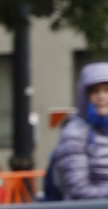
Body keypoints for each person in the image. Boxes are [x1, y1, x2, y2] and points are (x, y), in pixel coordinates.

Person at [44, 61, 108, 200]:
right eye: (95, 91)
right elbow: (78, 191)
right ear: (85, 96)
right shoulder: (75, 133)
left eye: (106, 90)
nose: (101, 96)